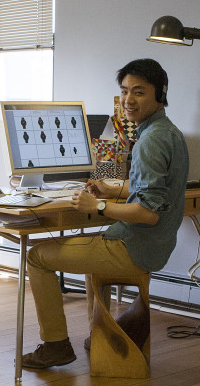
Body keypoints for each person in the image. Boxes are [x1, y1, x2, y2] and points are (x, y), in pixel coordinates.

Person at [20, 58, 189, 369]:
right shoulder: (168, 132)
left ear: (160, 93)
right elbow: (154, 195)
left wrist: (96, 205)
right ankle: (98, 334)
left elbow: (148, 214)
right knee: (89, 251)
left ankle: (56, 345)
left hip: (135, 248)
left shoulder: (150, 141)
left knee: (36, 256)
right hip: (155, 246)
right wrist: (113, 191)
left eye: (138, 92)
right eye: (124, 91)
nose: (128, 100)